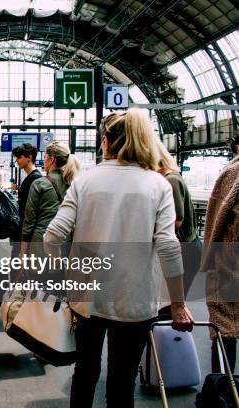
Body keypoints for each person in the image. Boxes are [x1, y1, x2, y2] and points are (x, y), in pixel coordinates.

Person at [43, 109, 194, 407]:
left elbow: (51, 236)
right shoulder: (158, 184)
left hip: (86, 298)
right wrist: (177, 305)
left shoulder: (85, 181)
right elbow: (168, 245)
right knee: (122, 383)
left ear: (106, 141)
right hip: (135, 301)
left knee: (85, 372)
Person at [202, 134, 239, 373]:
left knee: (224, 328)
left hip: (230, 265)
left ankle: (223, 390)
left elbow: (216, 219)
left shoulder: (233, 173)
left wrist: (206, 262)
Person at [154, 139, 201, 303]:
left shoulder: (171, 180)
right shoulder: (170, 178)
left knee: (171, 301)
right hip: (186, 247)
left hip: (185, 250)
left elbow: (176, 221)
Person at [22, 142, 80, 243]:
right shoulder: (74, 183)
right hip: (65, 239)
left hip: (41, 240)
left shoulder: (40, 183)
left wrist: (23, 250)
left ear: (52, 159)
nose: (44, 160)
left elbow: (29, 221)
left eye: (45, 157)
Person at [12, 143, 42, 233]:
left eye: (19, 157)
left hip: (28, 230)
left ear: (29, 157)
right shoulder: (31, 177)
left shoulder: (35, 178)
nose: (16, 160)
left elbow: (32, 210)